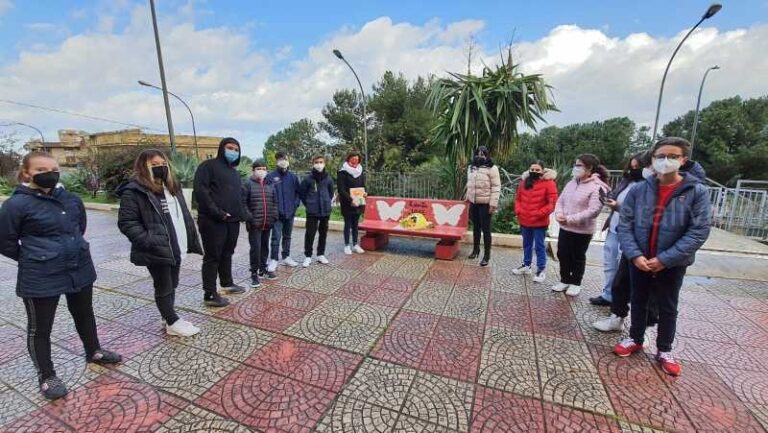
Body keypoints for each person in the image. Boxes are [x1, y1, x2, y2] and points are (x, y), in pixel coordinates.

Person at [0, 152, 121, 400]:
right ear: (26, 173)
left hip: (78, 266)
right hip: (41, 273)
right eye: (41, 169)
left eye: (54, 168)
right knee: (40, 327)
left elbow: (80, 227)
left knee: (85, 314)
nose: (50, 173)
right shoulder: (15, 205)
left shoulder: (71, 199)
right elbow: (6, 242)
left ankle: (93, 350)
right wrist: (36, 255)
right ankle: (47, 375)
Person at [614, 137, 711, 376]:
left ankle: (665, 349)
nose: (665, 161)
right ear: (653, 159)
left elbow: (699, 231)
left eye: (672, 156)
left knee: (668, 305)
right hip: (640, 259)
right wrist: (635, 255)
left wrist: (665, 259)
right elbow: (625, 224)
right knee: (638, 299)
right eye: (660, 156)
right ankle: (635, 337)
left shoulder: (695, 192)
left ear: (683, 160)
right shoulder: (639, 189)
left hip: (672, 263)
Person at [117, 150, 204, 337]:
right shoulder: (135, 191)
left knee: (173, 283)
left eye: (162, 163)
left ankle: (167, 317)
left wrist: (189, 237)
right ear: (143, 167)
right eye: (154, 165)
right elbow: (127, 222)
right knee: (164, 285)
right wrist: (149, 240)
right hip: (157, 248)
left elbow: (183, 215)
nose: (160, 167)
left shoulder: (172, 187)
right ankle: (172, 321)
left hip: (176, 245)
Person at [193, 137, 248, 308]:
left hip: (232, 222)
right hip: (212, 221)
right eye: (229, 147)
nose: (233, 152)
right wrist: (218, 213)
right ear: (221, 148)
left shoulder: (234, 172)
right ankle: (209, 293)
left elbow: (238, 196)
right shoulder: (207, 167)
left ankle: (227, 283)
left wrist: (243, 215)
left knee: (227, 252)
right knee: (212, 256)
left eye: (236, 149)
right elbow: (201, 192)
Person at [589, 152, 647, 307]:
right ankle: (608, 295)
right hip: (614, 227)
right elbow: (615, 195)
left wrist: (618, 206)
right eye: (631, 167)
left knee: (623, 270)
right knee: (609, 264)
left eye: (637, 167)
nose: (633, 170)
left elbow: (640, 211)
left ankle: (620, 302)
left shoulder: (647, 187)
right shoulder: (626, 182)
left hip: (630, 232)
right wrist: (608, 199)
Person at [552, 154, 610, 296]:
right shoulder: (572, 183)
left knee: (577, 256)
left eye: (579, 165)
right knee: (563, 253)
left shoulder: (598, 187)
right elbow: (560, 201)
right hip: (565, 227)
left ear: (589, 168)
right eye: (575, 164)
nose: (575, 168)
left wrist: (569, 219)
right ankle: (564, 279)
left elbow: (594, 211)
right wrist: (559, 214)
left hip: (582, 230)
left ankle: (576, 282)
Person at [512, 161, 558, 282]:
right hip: (524, 220)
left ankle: (541, 270)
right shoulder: (523, 182)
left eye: (537, 170)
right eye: (532, 169)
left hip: (539, 222)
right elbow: (518, 199)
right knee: (526, 244)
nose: (534, 172)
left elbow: (552, 204)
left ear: (542, 171)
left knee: (539, 246)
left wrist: (538, 214)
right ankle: (526, 265)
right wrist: (518, 211)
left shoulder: (549, 184)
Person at [243, 159, 279, 287]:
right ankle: (254, 273)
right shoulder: (248, 184)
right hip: (254, 224)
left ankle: (263, 269)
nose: (261, 171)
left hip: (267, 222)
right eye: (259, 169)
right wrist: (250, 218)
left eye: (264, 169)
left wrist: (274, 216)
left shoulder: (270, 185)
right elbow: (243, 203)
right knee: (256, 248)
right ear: (253, 170)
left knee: (264, 247)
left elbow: (274, 202)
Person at [466, 146, 501, 266]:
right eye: (478, 154)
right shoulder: (471, 167)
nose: (480, 156)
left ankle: (487, 255)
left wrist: (493, 204)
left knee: (486, 230)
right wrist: (468, 198)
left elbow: (496, 187)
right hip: (474, 203)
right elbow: (469, 184)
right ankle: (476, 250)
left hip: (486, 204)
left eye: (483, 154)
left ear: (487, 155)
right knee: (475, 228)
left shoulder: (492, 168)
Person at [267, 152, 301, 269]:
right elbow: (267, 195)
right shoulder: (270, 177)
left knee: (287, 236)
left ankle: (286, 256)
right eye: (280, 159)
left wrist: (295, 205)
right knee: (276, 237)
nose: (283, 161)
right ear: (277, 161)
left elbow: (298, 193)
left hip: (290, 213)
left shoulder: (293, 177)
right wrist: (273, 210)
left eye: (285, 158)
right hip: (276, 214)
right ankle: (274, 259)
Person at [300, 155, 334, 267]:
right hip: (312, 211)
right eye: (316, 162)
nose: (319, 164)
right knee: (310, 233)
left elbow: (330, 193)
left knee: (323, 233)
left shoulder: (328, 178)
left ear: (324, 163)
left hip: (325, 210)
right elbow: (302, 194)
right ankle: (308, 256)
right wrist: (309, 204)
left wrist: (326, 202)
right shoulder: (308, 179)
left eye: (321, 162)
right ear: (313, 164)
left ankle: (321, 254)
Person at [337, 151, 366, 255]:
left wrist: (365, 193)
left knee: (355, 224)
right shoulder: (342, 172)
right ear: (348, 159)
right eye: (353, 159)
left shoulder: (360, 171)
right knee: (348, 224)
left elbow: (362, 186)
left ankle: (355, 244)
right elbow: (341, 189)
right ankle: (346, 245)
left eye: (357, 159)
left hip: (358, 202)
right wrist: (351, 200)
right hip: (347, 203)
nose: (355, 161)